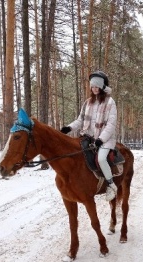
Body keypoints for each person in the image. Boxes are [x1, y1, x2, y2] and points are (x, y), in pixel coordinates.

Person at [60, 71, 118, 202]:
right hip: (88, 137)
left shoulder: (110, 102)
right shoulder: (88, 102)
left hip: (104, 140)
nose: (95, 89)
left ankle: (111, 184)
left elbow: (111, 124)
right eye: (93, 86)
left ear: (103, 87)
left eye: (97, 86)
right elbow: (80, 120)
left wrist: (101, 140)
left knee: (102, 159)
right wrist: (69, 128)